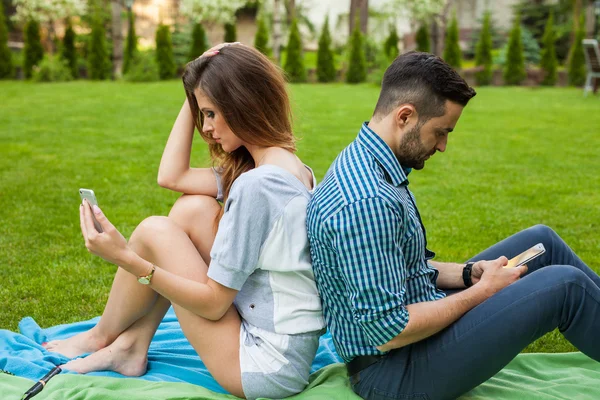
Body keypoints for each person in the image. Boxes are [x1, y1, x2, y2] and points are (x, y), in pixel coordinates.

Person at [306, 51, 600, 400]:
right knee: (565, 287)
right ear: (405, 116)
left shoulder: (368, 161)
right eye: (440, 132)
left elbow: (389, 265)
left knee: (541, 242)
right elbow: (389, 331)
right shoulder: (367, 201)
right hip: (394, 373)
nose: (443, 146)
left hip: (411, 341)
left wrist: (468, 273)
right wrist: (483, 291)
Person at [43, 43, 325, 400]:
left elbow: (213, 304)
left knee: (152, 232)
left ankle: (102, 336)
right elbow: (171, 175)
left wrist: (126, 259)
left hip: (264, 366)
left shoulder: (259, 186)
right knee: (191, 210)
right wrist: (200, 87)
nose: (205, 128)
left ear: (241, 102)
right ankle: (131, 345)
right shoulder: (281, 166)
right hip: (280, 337)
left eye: (210, 113)